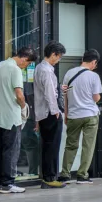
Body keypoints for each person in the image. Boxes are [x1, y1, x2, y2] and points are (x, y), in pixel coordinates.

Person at [0, 47, 36, 194]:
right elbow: (20, 95)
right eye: (27, 64)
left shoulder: (0, 65)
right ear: (24, 58)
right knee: (11, 150)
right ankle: (8, 183)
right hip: (11, 117)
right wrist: (24, 107)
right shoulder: (15, 69)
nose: (26, 66)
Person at [60, 49, 102, 185]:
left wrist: (66, 114)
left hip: (73, 115)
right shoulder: (93, 76)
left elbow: (65, 96)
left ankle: (65, 174)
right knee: (88, 146)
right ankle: (82, 175)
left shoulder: (69, 73)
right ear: (94, 62)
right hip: (90, 115)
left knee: (70, 145)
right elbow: (96, 98)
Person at [34, 41, 67, 189]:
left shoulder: (39, 68)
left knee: (47, 145)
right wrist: (56, 111)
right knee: (52, 145)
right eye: (59, 57)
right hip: (50, 113)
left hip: (42, 113)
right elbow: (49, 93)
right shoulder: (46, 70)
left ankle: (49, 176)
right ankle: (50, 177)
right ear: (53, 54)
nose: (58, 60)